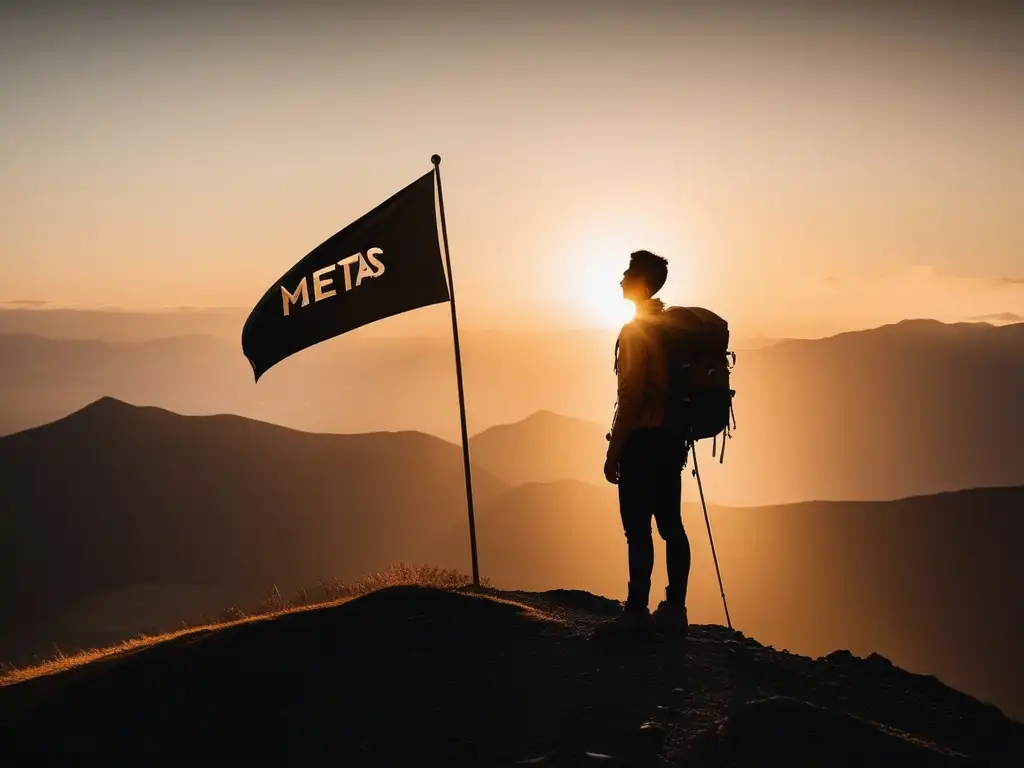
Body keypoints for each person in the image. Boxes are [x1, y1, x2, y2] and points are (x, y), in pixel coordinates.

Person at [604, 249, 691, 632]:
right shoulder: (673, 331)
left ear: (641, 283)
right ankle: (675, 609)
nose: (621, 279)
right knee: (671, 526)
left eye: (627, 273)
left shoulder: (636, 332)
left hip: (642, 441)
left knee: (637, 528)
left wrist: (614, 451)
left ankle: (636, 612)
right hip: (672, 440)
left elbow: (631, 396)